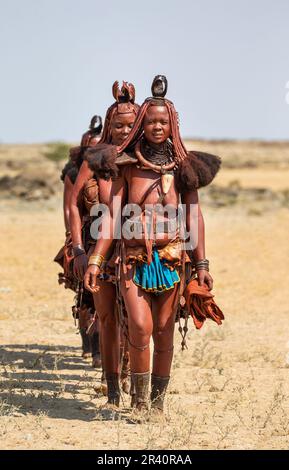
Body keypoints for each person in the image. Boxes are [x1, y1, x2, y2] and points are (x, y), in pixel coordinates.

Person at [84, 75, 221, 414]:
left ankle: (156, 406)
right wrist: (95, 260)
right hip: (132, 259)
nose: (157, 127)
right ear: (141, 124)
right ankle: (138, 402)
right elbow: (111, 217)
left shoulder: (185, 169)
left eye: (163, 121)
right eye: (151, 121)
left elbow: (194, 218)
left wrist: (201, 265)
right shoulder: (126, 167)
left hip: (173, 259)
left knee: (163, 331)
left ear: (172, 123)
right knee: (141, 327)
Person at [70, 81, 139, 405]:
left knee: (138, 320)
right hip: (99, 244)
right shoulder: (96, 159)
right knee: (108, 317)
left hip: (140, 248)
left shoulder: (147, 158)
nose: (125, 130)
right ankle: (112, 387)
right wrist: (80, 250)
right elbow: (72, 204)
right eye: (119, 125)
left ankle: (133, 376)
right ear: (109, 126)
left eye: (130, 124)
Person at [54, 115, 103, 366]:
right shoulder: (75, 172)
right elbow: (68, 208)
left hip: (106, 232)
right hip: (83, 233)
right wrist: (74, 241)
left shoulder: (109, 168)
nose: (95, 151)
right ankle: (91, 346)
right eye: (91, 147)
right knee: (84, 294)